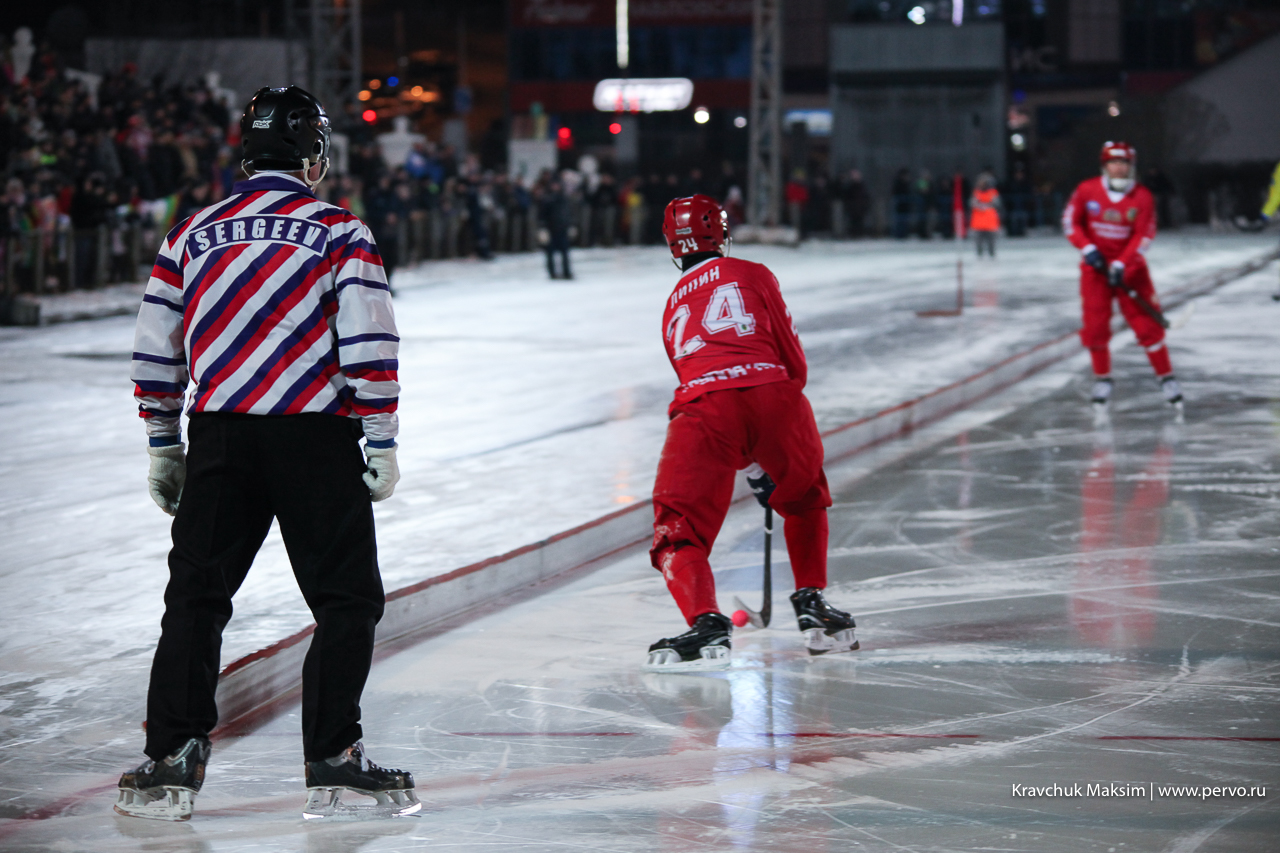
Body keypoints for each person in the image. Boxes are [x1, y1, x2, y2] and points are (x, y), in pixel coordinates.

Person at [119, 85, 418, 822]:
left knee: (196, 597)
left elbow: (156, 347)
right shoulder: (340, 231)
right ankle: (333, 757)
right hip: (314, 437)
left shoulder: (190, 233)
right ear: (312, 154)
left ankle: (171, 756)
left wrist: (163, 441)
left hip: (221, 434)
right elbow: (369, 343)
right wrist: (382, 437)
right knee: (346, 599)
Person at [645, 194, 859, 670]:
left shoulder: (672, 305)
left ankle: (705, 623)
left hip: (704, 411)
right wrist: (770, 458)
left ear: (672, 245)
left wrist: (749, 458)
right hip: (773, 394)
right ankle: (812, 604)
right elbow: (792, 363)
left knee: (677, 529)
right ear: (721, 234)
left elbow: (709, 387)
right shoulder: (754, 273)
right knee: (804, 495)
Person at [1062, 141, 1181, 411]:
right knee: (1095, 326)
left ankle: (1166, 377)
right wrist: (1087, 248)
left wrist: (1122, 264)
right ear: (1104, 166)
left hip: (1131, 271)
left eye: (1123, 163)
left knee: (1148, 325)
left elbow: (1144, 234)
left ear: (1131, 166)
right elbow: (1071, 221)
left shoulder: (1142, 196)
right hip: (1095, 271)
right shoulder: (1087, 190)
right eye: (1113, 163)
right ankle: (1103, 378)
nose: (1118, 168)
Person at [969, 172, 1002, 257]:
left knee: (991, 242)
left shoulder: (993, 193)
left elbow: (996, 204)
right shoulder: (976, 192)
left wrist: (985, 205)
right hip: (978, 222)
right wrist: (981, 205)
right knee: (978, 242)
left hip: (990, 222)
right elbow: (972, 203)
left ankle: (992, 255)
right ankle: (979, 255)